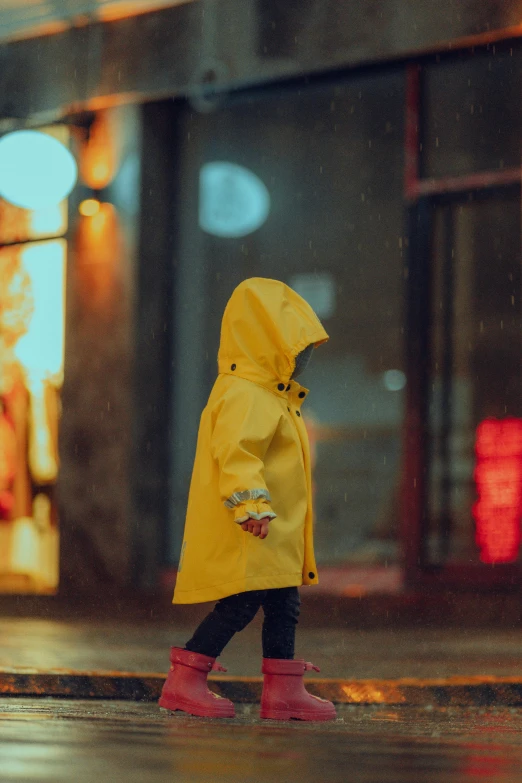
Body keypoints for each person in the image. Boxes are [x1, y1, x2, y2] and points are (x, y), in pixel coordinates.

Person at [159, 277, 336, 721]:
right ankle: (185, 681)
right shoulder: (248, 395)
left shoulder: (269, 396)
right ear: (271, 346)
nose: (303, 361)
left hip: (269, 531)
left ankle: (282, 692)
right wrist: (250, 504)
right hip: (254, 527)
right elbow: (237, 452)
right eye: (298, 351)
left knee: (282, 604)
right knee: (240, 604)